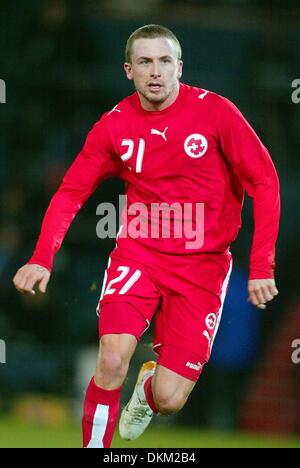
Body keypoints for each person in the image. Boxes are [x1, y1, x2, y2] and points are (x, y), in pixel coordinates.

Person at [13, 24, 280, 448]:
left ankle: (150, 389)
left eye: (164, 61)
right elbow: (71, 192)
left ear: (179, 66)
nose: (155, 71)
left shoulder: (217, 114)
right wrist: (42, 256)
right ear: (128, 70)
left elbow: (265, 181)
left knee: (171, 399)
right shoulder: (113, 127)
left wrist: (262, 265)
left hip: (203, 266)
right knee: (113, 357)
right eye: (144, 62)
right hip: (140, 255)